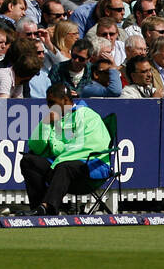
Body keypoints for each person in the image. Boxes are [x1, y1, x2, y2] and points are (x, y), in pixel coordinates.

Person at [21, 83, 111, 215]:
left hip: (92, 164)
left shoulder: (87, 116)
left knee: (64, 166)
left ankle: (48, 207)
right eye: (48, 103)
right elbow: (36, 147)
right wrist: (46, 124)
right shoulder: (55, 116)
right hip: (61, 166)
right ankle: (37, 208)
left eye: (52, 102)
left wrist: (58, 151)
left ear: (65, 100)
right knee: (29, 160)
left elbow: (89, 146)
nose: (49, 107)